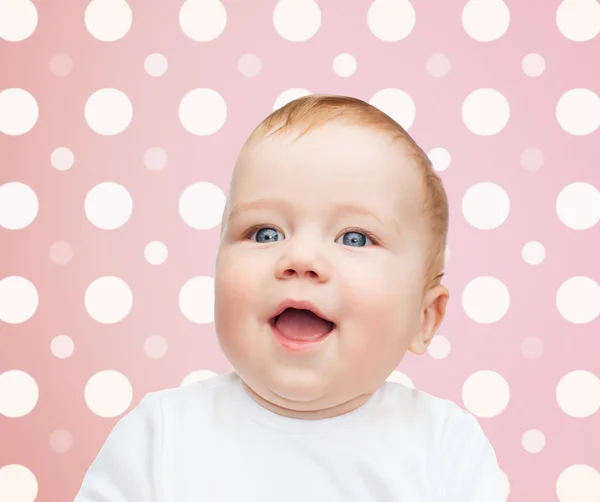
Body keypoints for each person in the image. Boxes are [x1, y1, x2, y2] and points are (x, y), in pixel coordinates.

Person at [74, 95, 505, 501]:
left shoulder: (444, 445)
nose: (299, 258)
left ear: (424, 318)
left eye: (354, 238)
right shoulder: (161, 433)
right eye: (265, 233)